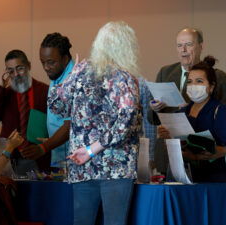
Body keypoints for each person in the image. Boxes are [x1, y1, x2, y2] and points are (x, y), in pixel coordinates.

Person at [48, 21, 141, 225]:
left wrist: (67, 79)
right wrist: (92, 149)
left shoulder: (80, 72)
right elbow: (127, 120)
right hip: (115, 167)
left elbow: (55, 106)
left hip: (82, 166)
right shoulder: (124, 77)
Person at [158, 56, 226, 183]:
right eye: (189, 82)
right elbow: (177, 148)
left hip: (217, 179)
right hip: (188, 177)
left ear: (211, 87)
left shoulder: (220, 111)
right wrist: (167, 137)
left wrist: (213, 152)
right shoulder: (182, 112)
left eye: (199, 81)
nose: (193, 86)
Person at [0, 50, 51, 175]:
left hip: (38, 156)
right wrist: (0, 87)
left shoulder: (45, 90)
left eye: (20, 68)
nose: (15, 74)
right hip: (10, 157)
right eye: (10, 71)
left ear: (29, 66)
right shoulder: (5, 93)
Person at [151, 27, 226, 115]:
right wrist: (155, 108)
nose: (183, 50)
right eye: (179, 45)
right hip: (170, 128)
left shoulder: (221, 78)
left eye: (188, 44)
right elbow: (152, 119)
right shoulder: (165, 73)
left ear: (201, 46)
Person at [20, 33, 74, 168]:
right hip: (60, 153)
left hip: (74, 159)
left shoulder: (73, 80)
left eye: (51, 62)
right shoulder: (57, 74)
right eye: (43, 62)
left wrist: (43, 148)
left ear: (65, 58)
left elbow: (71, 125)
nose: (46, 67)